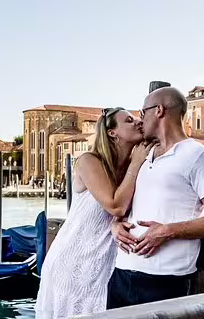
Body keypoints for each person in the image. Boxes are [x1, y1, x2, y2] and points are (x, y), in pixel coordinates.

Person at [109, 87, 204, 308]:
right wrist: (115, 224)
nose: (139, 119)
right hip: (121, 273)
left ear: (159, 111)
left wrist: (167, 231)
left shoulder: (199, 156)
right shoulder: (143, 155)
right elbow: (129, 204)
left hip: (165, 279)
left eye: (143, 112)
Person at [35, 108, 151, 318]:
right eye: (128, 120)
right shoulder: (89, 161)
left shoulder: (130, 171)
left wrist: (116, 223)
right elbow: (115, 205)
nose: (137, 123)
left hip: (103, 266)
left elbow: (123, 212)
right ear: (112, 133)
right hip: (72, 262)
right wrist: (136, 163)